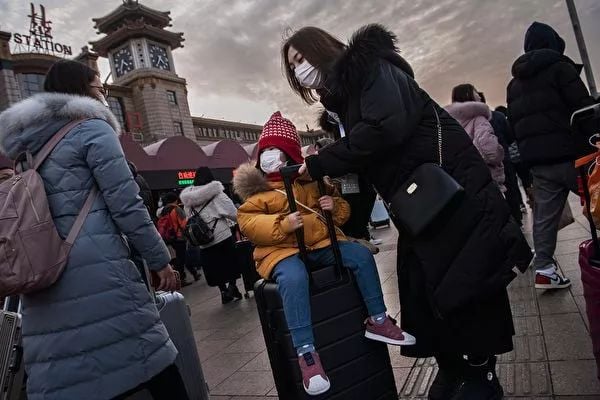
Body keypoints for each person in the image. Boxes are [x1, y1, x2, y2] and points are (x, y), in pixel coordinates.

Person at [282, 24, 532, 399]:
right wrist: (350, 223)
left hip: (449, 189)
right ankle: (451, 366)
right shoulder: (342, 107)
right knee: (423, 287)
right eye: (293, 65)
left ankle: (481, 374)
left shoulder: (373, 69)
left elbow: (385, 130)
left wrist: (321, 163)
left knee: (470, 280)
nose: (300, 68)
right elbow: (364, 168)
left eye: (302, 57)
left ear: (322, 48)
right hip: (420, 204)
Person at [0, 60, 188, 400]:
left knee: (76, 380)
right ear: (81, 89)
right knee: (156, 365)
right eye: (97, 85)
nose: (101, 92)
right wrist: (160, 260)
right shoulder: (91, 130)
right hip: (100, 271)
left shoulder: (23, 148)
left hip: (43, 275)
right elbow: (126, 204)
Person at [233, 111, 415, 396]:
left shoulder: (313, 181)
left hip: (319, 244)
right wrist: (283, 224)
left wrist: (334, 207)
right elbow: (249, 223)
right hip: (281, 252)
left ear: (290, 154)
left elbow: (342, 214)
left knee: (359, 256)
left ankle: (378, 319)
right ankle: (306, 353)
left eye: (276, 150)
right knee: (293, 279)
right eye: (265, 150)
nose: (269, 155)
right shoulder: (257, 192)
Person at [507, 22, 596, 290]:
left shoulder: (514, 84)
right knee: (598, 200)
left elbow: (516, 125)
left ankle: (544, 269)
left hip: (539, 162)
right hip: (574, 157)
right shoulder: (561, 68)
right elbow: (585, 110)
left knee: (545, 216)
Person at [180, 166, 243, 303]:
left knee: (214, 266)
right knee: (230, 262)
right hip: (221, 234)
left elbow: (188, 215)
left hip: (203, 240)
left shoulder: (188, 198)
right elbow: (232, 213)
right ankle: (232, 286)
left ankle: (223, 290)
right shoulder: (216, 193)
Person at [445, 84, 507, 193]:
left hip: (462, 180)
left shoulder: (448, 122)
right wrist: (500, 152)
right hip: (486, 178)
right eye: (476, 92)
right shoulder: (478, 119)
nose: (479, 96)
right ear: (469, 95)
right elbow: (490, 152)